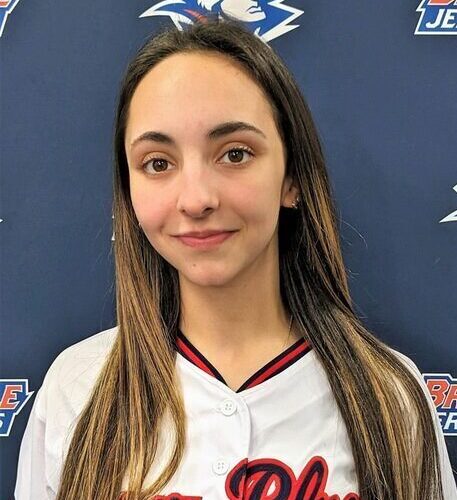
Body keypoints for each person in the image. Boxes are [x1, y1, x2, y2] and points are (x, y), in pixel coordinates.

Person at [14, 16, 456, 500]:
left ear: (292, 179)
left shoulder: (389, 397)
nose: (196, 198)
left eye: (235, 154)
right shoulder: (77, 390)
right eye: (158, 163)